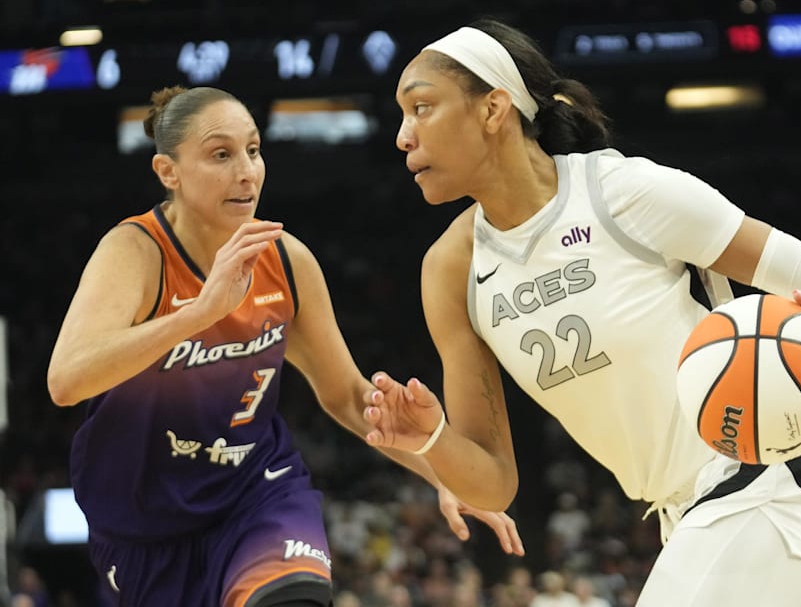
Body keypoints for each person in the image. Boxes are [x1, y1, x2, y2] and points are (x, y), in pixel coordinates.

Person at [362, 18, 801, 607]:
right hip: (686, 507)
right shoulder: (450, 269)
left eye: (422, 108)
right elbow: (494, 482)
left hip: (769, 471)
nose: (403, 136)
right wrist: (429, 437)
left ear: (493, 107)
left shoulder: (622, 193)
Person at [46, 85, 522, 607]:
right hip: (141, 522)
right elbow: (67, 380)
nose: (247, 171)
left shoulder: (286, 260)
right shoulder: (135, 252)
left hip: (257, 492)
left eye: (253, 150)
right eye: (221, 155)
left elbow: (345, 395)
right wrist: (200, 312)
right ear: (168, 172)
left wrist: (445, 472)